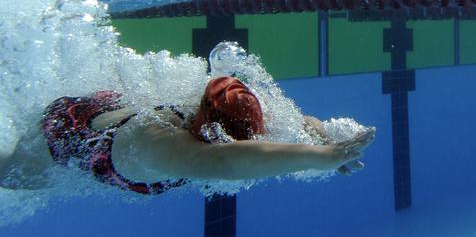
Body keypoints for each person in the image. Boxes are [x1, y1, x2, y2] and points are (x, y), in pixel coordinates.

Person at [0, 76, 375, 194]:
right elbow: (222, 162)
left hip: (105, 108)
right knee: (10, 175)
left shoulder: (204, 116)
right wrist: (322, 158)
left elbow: (296, 121)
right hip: (66, 131)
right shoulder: (159, 142)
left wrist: (328, 138)